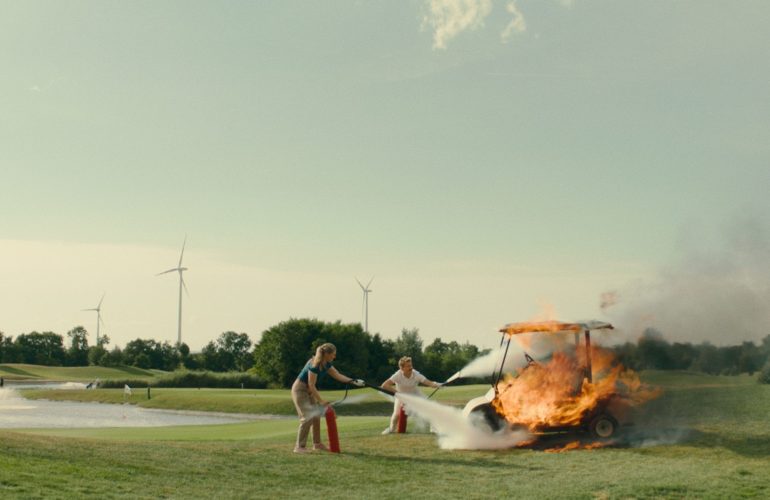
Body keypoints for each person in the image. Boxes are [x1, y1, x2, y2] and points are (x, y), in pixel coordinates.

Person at [291, 342, 364, 453]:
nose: (334, 357)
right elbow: (311, 384)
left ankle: (317, 444)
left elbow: (337, 375)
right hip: (300, 390)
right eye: (333, 354)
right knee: (307, 417)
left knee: (316, 416)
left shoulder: (327, 364)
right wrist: (321, 401)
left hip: (309, 391)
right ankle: (299, 447)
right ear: (326, 354)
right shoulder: (314, 365)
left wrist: (353, 381)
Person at [380, 356, 441, 434]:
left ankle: (434, 429)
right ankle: (391, 429)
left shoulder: (416, 374)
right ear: (402, 368)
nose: (411, 367)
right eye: (408, 366)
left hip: (416, 394)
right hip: (401, 396)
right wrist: (398, 393)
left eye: (411, 365)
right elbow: (384, 385)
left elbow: (428, 382)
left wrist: (435, 384)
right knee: (397, 414)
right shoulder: (397, 375)